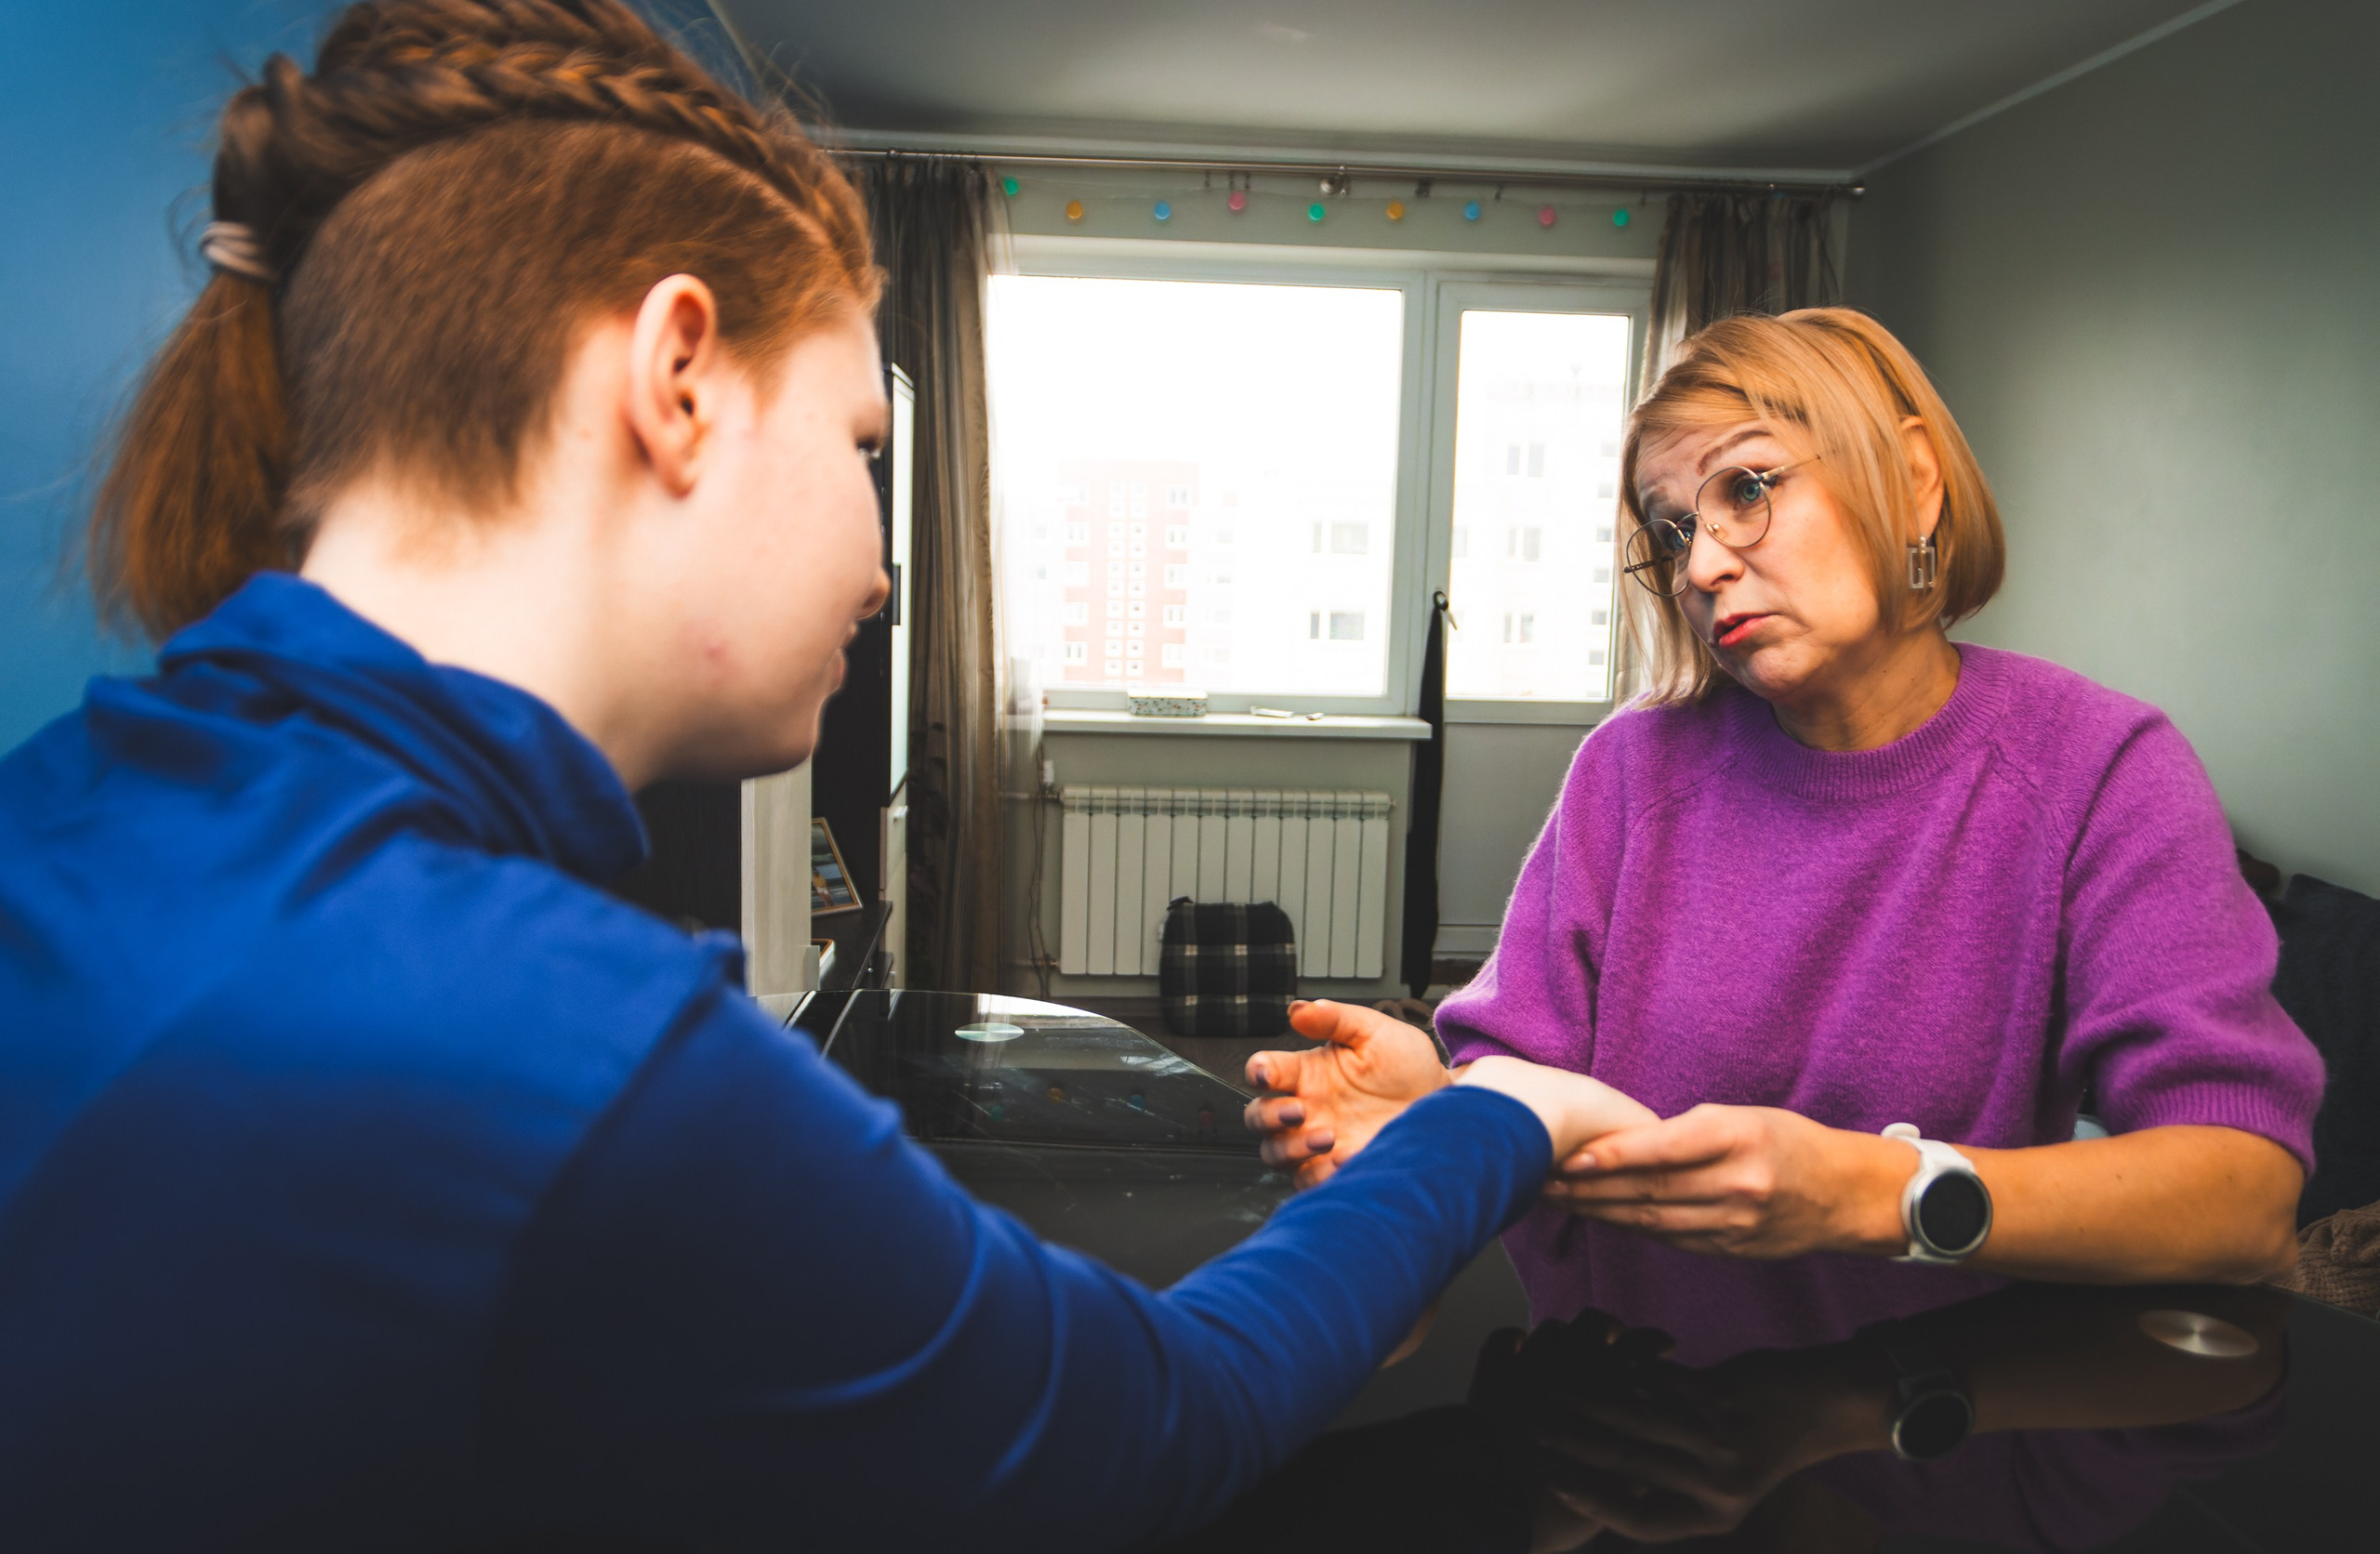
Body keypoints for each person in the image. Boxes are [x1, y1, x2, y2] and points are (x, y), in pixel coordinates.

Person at [0, 5, 1654, 1548]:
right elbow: (1156, 1418)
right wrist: (1494, 1119)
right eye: (863, 448)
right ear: (678, 379)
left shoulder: (59, 805)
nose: (879, 568)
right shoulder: (565, 1047)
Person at [1248, 309, 2325, 1363]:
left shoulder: (2099, 770)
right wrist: (1438, 1116)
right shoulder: (1631, 769)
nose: (1699, 567)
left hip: (1923, 1447)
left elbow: (2240, 1197)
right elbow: (1528, 1079)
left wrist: (1873, 1193)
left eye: (1748, 489)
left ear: (1911, 482)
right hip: (1619, 1417)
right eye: (1671, 531)